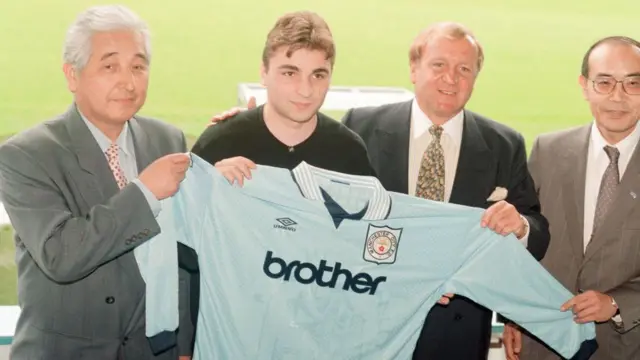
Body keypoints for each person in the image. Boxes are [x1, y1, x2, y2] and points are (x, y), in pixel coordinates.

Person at [212, 22, 550, 359]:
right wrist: (250, 126)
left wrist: (519, 226)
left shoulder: (503, 144)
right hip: (365, 326)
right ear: (414, 68)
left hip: (455, 334)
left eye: (464, 69)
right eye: (439, 65)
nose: (451, 78)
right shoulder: (360, 127)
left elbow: (536, 234)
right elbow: (307, 202)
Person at [0, 5, 194, 359]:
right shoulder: (25, 156)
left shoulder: (167, 140)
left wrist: (184, 344)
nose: (129, 81)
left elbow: (179, 258)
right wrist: (144, 192)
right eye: (110, 66)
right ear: (72, 75)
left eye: (138, 66)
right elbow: (61, 255)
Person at [183, 10, 377, 327]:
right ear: (263, 72)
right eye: (290, 73)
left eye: (318, 74)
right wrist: (207, 193)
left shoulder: (349, 152)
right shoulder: (220, 142)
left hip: (315, 332)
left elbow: (370, 246)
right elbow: (181, 252)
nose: (305, 90)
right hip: (234, 330)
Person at [503, 36, 640, 360]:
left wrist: (618, 302)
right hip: (543, 341)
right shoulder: (547, 150)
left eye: (633, 83)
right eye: (604, 82)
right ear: (584, 86)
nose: (617, 97)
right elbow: (524, 242)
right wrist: (513, 313)